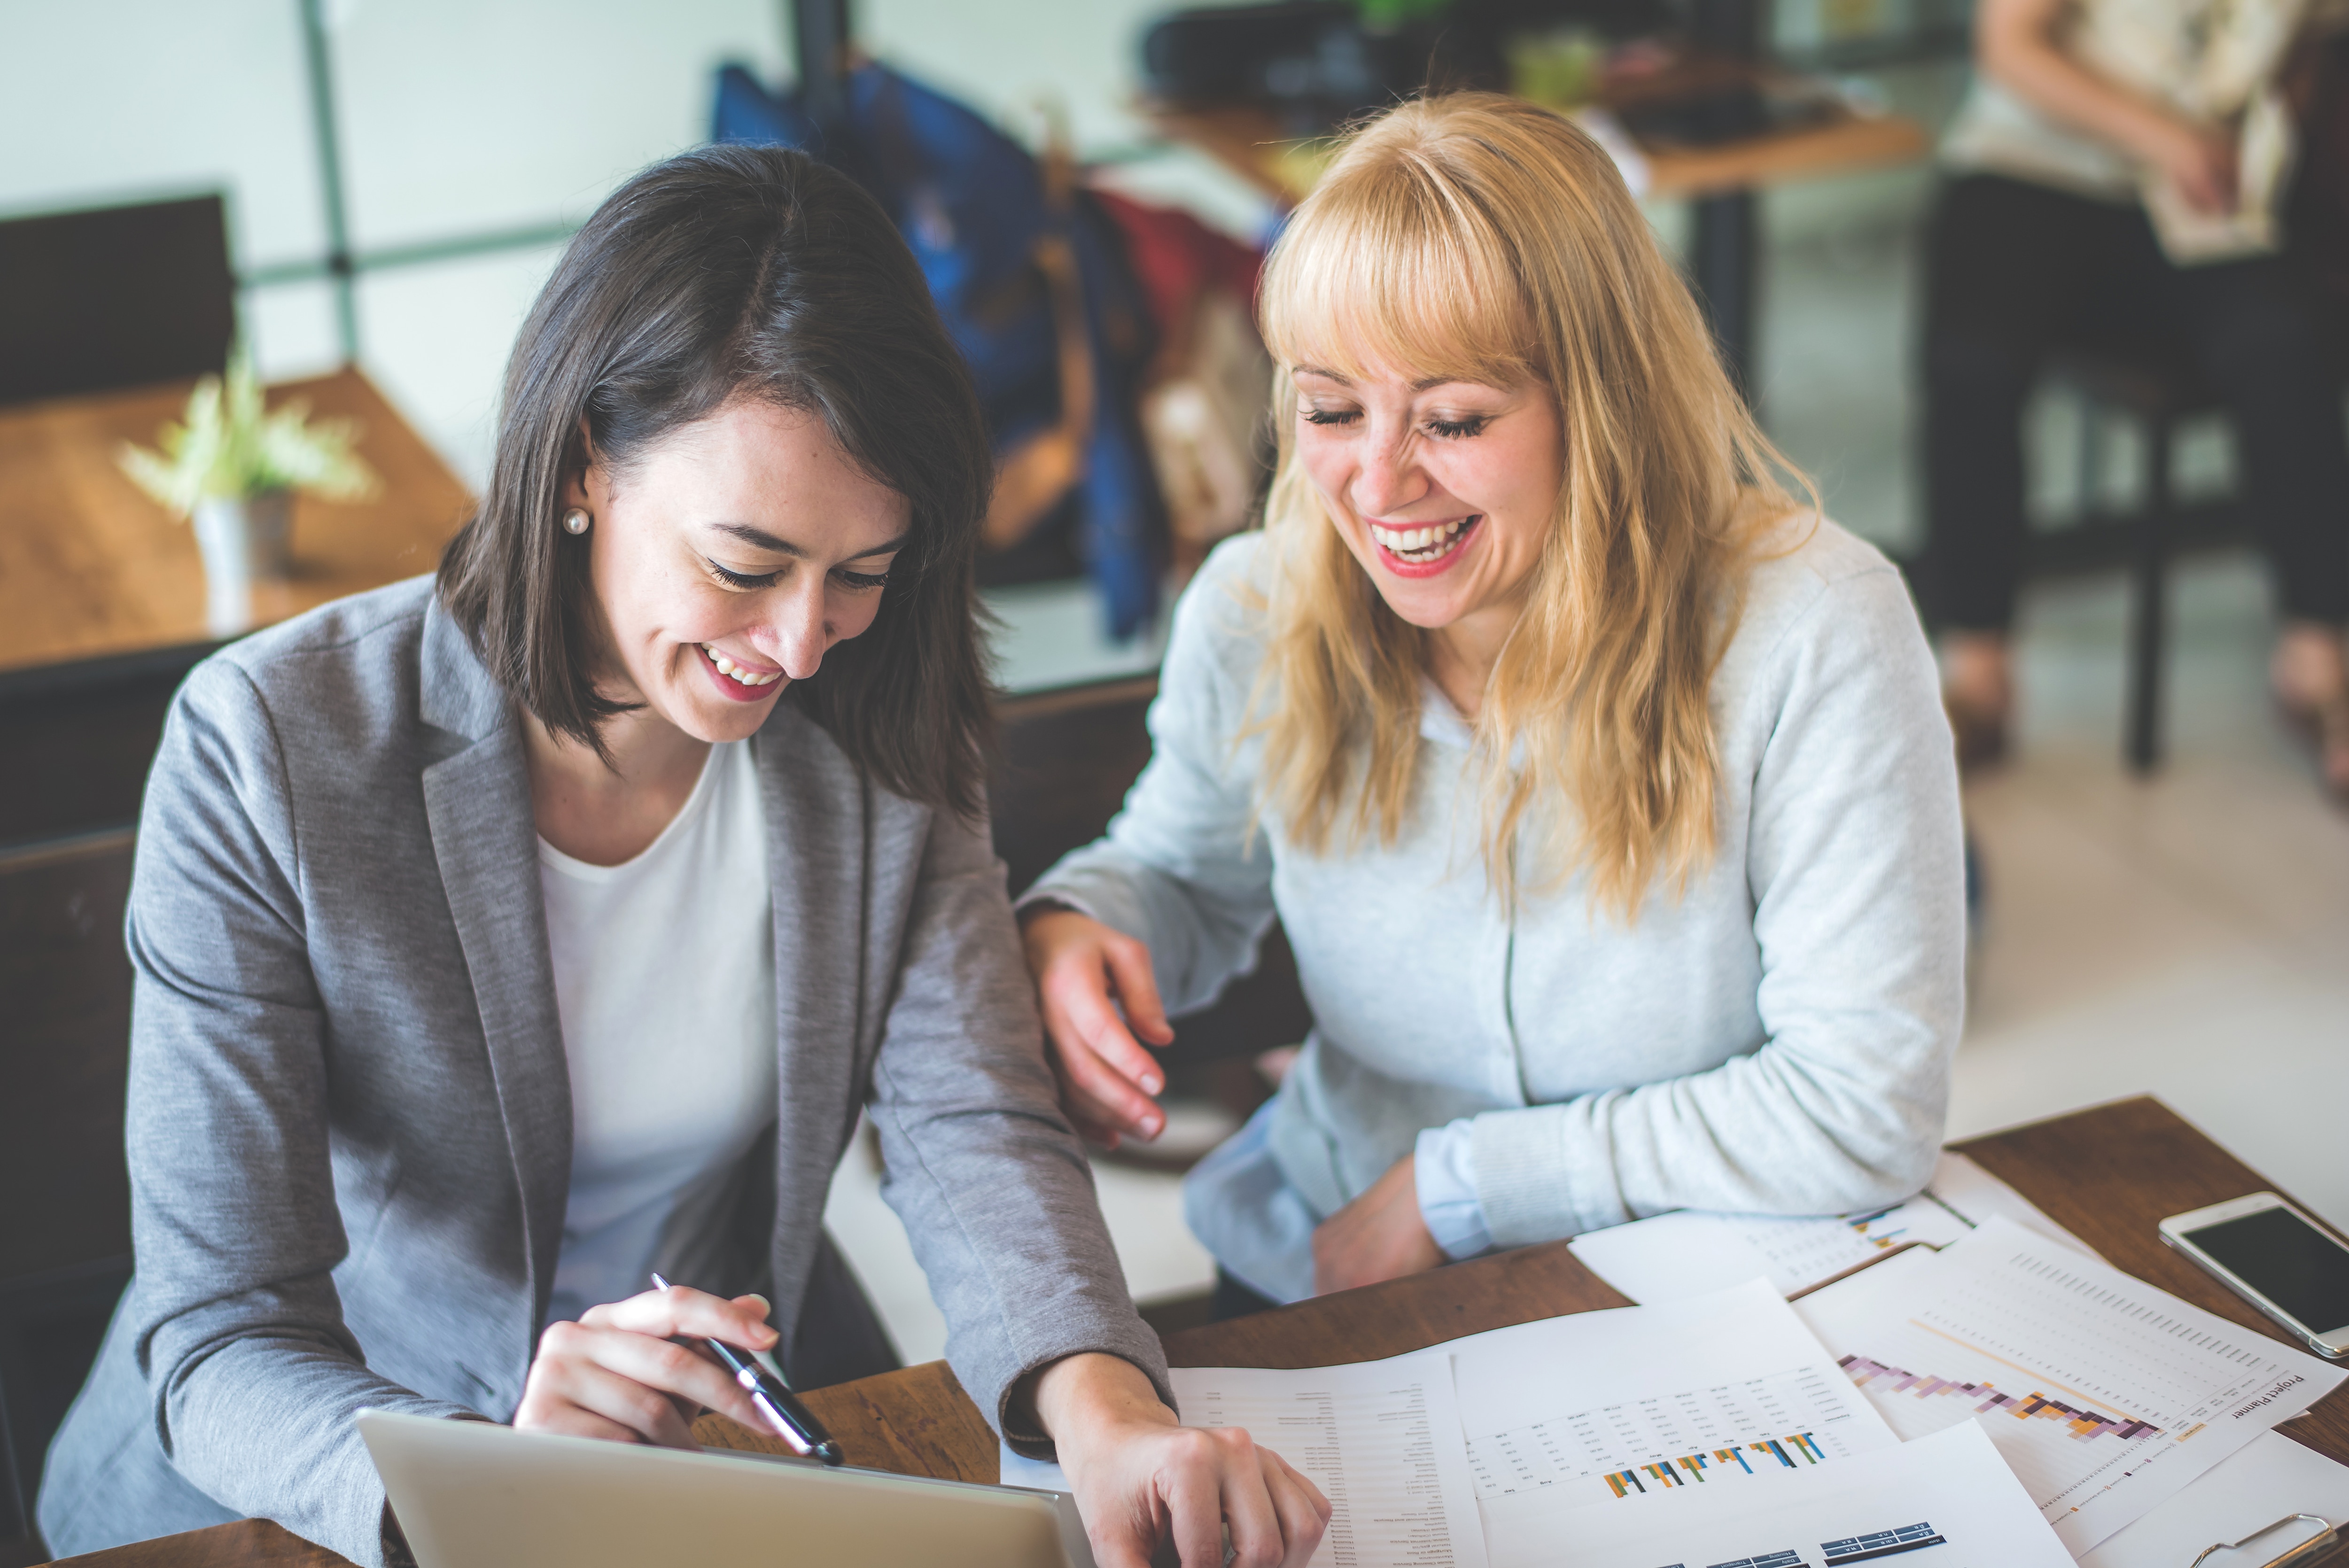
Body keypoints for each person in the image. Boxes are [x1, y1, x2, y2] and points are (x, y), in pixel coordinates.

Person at [38, 145, 1327, 1568]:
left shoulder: (873, 706)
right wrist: (481, 1488)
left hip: (734, 1458)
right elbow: (221, 1329)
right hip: (314, 1505)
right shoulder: (274, 747)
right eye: (745, 563)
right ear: (587, 460)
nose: (796, 645)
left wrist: (1107, 1411)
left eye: (861, 574)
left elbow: (970, 1124)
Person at [1018, 95, 1967, 1313]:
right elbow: (1184, 870)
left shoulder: (1816, 626)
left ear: (1607, 406)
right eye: (1329, 410)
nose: (1378, 482)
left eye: (1455, 418)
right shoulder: (1255, 610)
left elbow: (1863, 1107)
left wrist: (1458, 1185)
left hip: (1693, 1276)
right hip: (1327, 1266)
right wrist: (1087, 920)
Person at [1916, 0, 2349, 789]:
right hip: (2037, 166)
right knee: (1975, 360)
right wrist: (2171, 137)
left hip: (2210, 198)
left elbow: (2310, 55)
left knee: (2286, 344)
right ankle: (1980, 670)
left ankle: (2317, 662)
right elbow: (2009, 47)